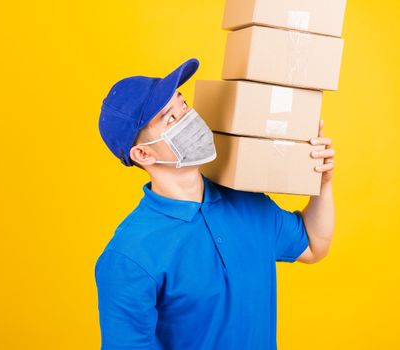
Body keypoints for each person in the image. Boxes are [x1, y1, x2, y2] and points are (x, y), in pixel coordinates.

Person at [95, 58, 335, 349]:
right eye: (170, 118)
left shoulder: (246, 200)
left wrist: (322, 183)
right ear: (143, 155)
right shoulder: (129, 256)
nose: (188, 118)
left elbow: (313, 245)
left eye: (183, 105)